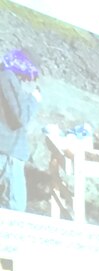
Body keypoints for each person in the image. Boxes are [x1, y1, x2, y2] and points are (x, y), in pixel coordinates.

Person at [0, 49, 41, 212]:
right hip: (9, 149)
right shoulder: (7, 77)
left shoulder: (6, 75)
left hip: (7, 145)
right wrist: (34, 99)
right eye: (29, 74)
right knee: (17, 206)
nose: (26, 79)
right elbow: (21, 117)